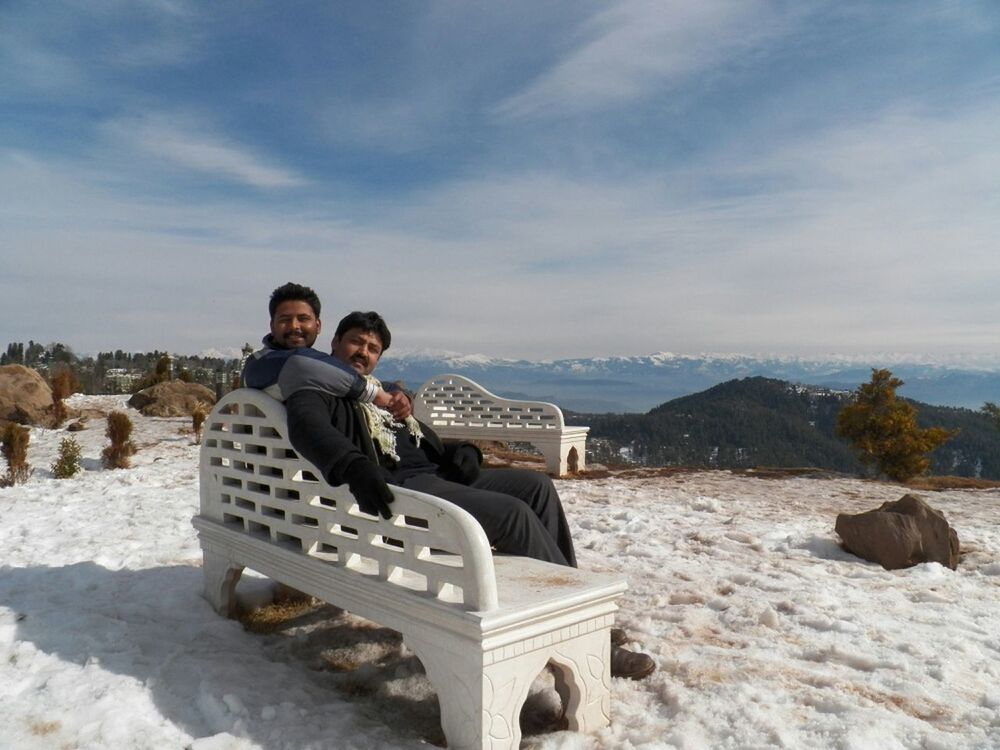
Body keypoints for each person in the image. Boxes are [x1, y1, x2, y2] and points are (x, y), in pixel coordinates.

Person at [243, 285, 655, 679]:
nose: (362, 352)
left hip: (433, 475)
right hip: (401, 491)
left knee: (537, 487)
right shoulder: (315, 385)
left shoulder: (376, 392)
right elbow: (310, 430)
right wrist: (353, 466)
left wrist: (460, 452)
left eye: (372, 349)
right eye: (355, 342)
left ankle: (574, 603)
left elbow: (419, 439)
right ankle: (588, 637)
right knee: (512, 515)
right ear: (333, 343)